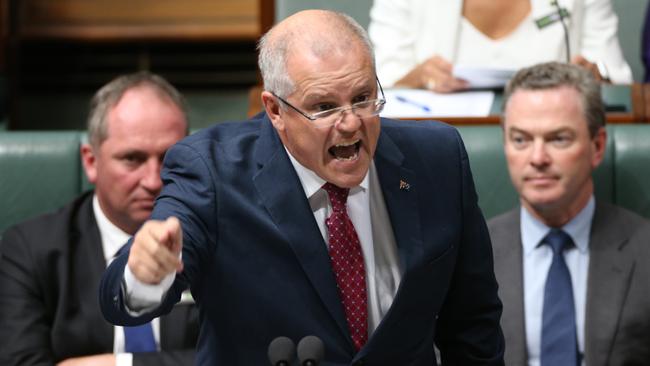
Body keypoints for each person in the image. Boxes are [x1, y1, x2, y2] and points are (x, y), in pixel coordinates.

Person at [99, 10, 505, 366]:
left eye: (363, 97)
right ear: (275, 109)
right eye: (324, 107)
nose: (350, 123)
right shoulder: (212, 172)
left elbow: (473, 325)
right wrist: (144, 274)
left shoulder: (436, 159)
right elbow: (123, 299)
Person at [0, 72, 199, 366]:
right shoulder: (28, 249)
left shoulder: (222, 238)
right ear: (91, 162)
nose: (154, 180)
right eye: (133, 158)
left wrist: (118, 364)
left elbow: (250, 354)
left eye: (170, 158)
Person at [489, 62, 650, 365]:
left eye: (558, 138)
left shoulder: (645, 250)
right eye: (521, 139)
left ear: (597, 146)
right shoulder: (469, 254)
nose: (537, 158)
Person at [368, 0, 633, 92]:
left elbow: (619, 82)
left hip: (554, 147)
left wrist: (595, 77)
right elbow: (374, 91)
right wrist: (418, 77)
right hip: (432, 156)